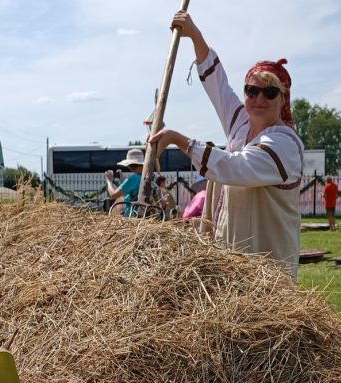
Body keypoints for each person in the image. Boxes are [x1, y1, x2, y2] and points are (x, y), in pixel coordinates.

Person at [148, 11, 304, 277]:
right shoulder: (241, 124)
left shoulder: (284, 144)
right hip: (233, 262)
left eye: (270, 92)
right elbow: (217, 84)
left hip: (269, 270)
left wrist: (178, 140)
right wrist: (194, 35)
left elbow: (235, 168)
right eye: (251, 91)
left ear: (283, 99)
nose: (259, 99)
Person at [105, 148, 145, 216]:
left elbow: (113, 195)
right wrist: (123, 182)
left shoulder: (133, 178)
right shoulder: (146, 176)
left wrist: (109, 181)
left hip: (133, 216)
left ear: (129, 165)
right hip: (144, 214)